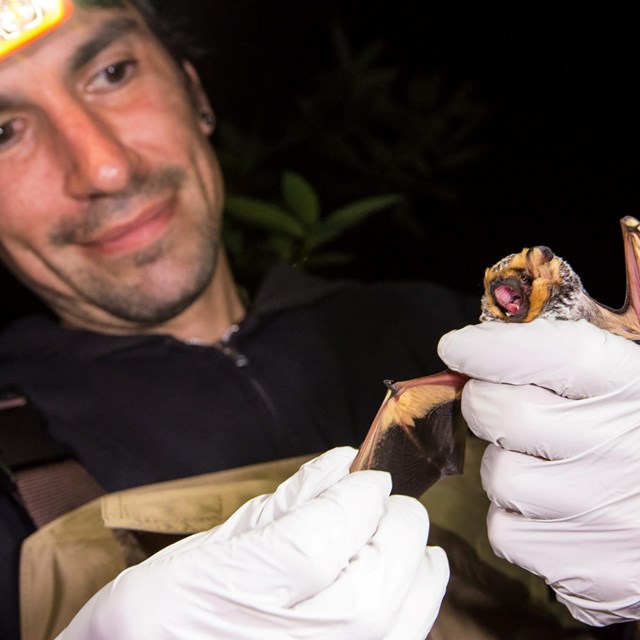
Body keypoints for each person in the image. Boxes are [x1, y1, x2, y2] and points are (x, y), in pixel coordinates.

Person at [0, 1, 476, 638]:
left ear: (194, 91)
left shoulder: (441, 331)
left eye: (113, 73)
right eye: (3, 132)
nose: (105, 169)